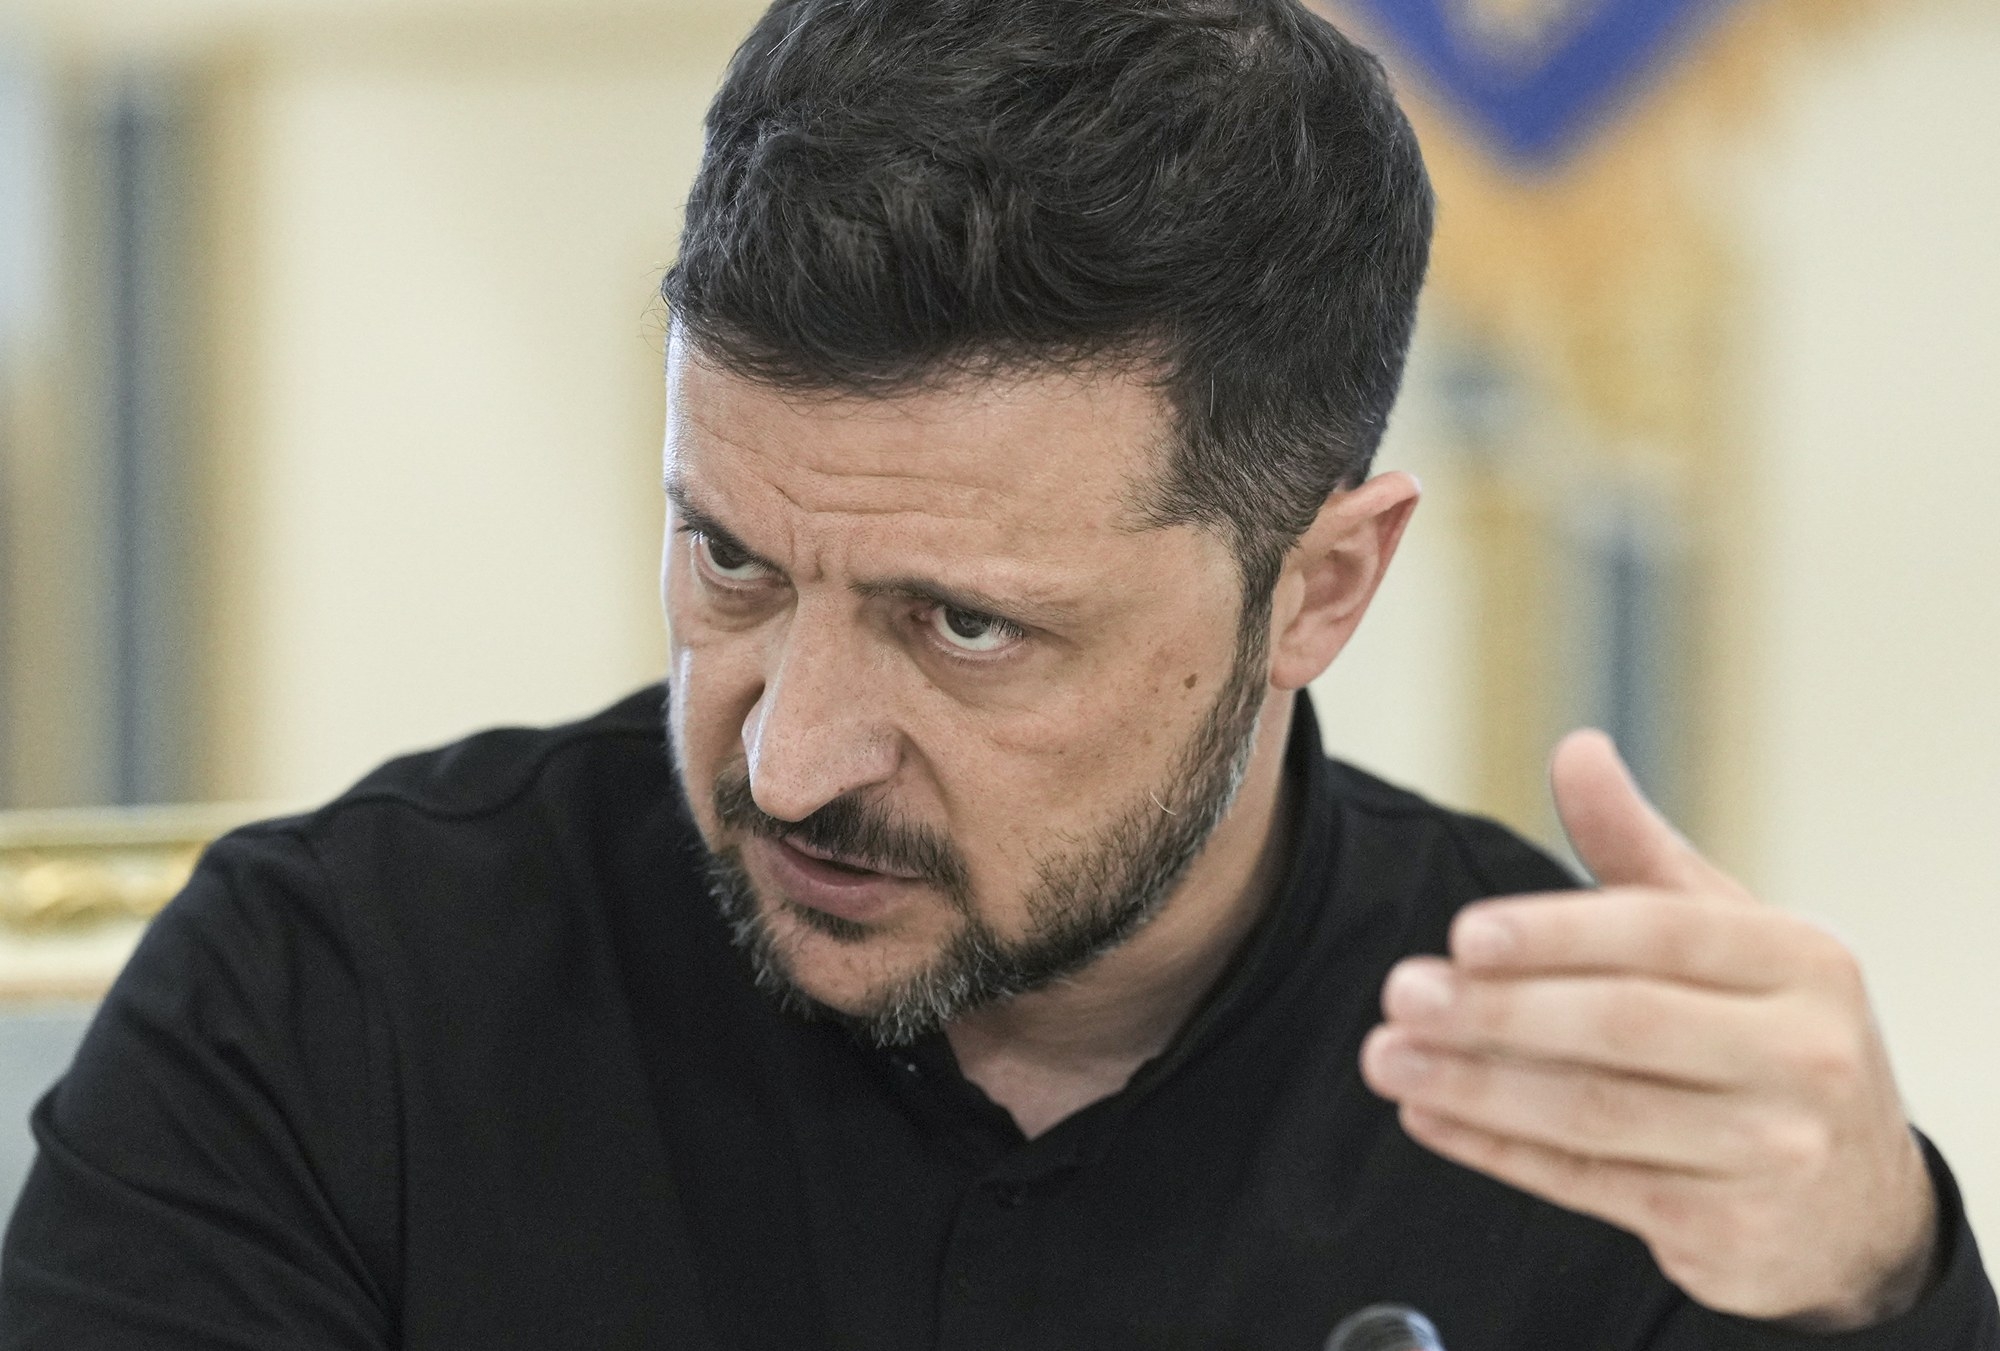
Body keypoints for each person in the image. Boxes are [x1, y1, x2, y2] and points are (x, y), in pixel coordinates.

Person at [1, 0, 1993, 1346]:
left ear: (1319, 588)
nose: (791, 756)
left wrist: (1871, 1288)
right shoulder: (333, 1002)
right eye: (731, 559)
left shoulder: (1611, 1146)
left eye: (965, 626)